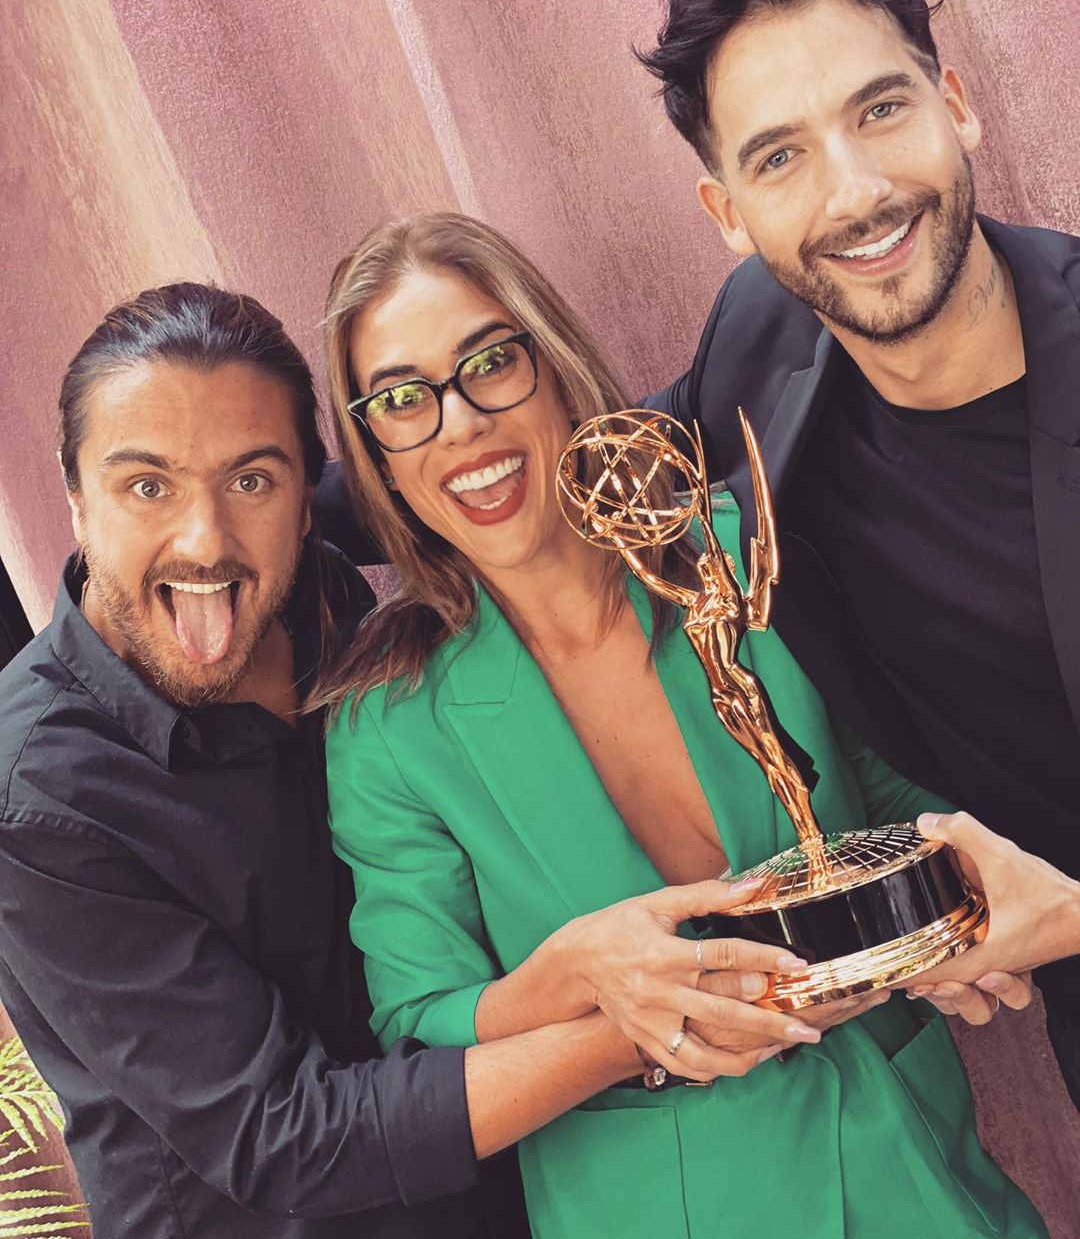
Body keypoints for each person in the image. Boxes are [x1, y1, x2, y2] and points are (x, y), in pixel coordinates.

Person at [0, 283, 797, 1238]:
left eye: (252, 481)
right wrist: (645, 1020)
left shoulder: (328, 604)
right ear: (75, 495)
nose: (205, 540)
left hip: (525, 1184)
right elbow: (280, 1136)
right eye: (147, 487)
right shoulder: (39, 795)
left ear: (308, 501)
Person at [318, 211, 1046, 1238]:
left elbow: (898, 791)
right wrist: (576, 979)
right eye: (402, 399)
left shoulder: (746, 557)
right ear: (377, 456)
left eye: (490, 363)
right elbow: (421, 1020)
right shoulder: (387, 729)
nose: (461, 424)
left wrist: (960, 913)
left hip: (912, 1169)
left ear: (554, 362)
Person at [636, 0, 1080, 1103]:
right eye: (779, 156)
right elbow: (604, 463)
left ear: (955, 102)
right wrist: (271, 511)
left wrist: (1067, 914)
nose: (856, 194)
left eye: (880, 109)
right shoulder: (759, 340)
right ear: (729, 215)